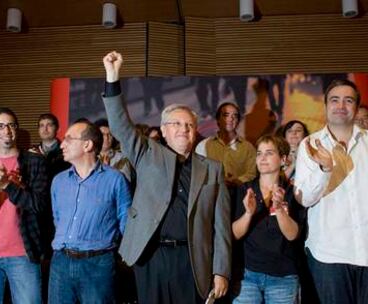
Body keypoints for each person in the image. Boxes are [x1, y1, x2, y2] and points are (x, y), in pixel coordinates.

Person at [102, 51, 231, 303]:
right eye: (176, 124)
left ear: (196, 132)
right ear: (163, 130)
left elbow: (221, 226)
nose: (183, 129)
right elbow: (119, 125)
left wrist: (221, 270)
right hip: (151, 256)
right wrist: (112, 76)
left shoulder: (213, 169)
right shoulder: (147, 153)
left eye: (189, 125)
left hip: (192, 260)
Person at [295, 79, 368, 304]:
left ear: (356, 107)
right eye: (335, 100)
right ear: (325, 106)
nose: (341, 105)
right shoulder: (309, 145)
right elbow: (304, 199)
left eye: (348, 100)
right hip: (329, 255)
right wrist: (324, 169)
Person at [48, 120, 132, 304]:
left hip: (98, 264)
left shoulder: (115, 180)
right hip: (60, 262)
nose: (62, 144)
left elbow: (126, 223)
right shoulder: (59, 181)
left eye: (69, 139)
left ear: (87, 145)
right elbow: (57, 218)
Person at [0, 107, 48, 303]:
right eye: (0, 126)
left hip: (22, 254)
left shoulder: (34, 162)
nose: (7, 131)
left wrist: (8, 187)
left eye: (11, 125)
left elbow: (40, 205)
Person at [232, 135, 305, 303]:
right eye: (259, 153)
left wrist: (279, 209)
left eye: (269, 153)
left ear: (283, 159)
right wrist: (248, 213)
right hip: (247, 274)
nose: (262, 158)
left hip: (283, 277)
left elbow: (292, 235)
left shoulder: (293, 192)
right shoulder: (245, 189)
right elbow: (234, 234)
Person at [195, 102, 256, 188]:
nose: (231, 119)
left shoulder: (248, 148)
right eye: (226, 115)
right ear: (218, 119)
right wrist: (219, 181)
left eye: (235, 116)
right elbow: (198, 174)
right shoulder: (203, 146)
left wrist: (237, 181)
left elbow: (252, 173)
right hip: (213, 197)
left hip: (240, 196)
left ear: (238, 121)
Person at [29, 113, 69, 182]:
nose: (45, 129)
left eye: (49, 125)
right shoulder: (31, 152)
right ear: (38, 130)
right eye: (42, 126)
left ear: (58, 129)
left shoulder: (67, 151)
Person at [95, 118, 134, 183]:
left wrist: (107, 171)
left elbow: (124, 183)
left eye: (109, 134)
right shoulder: (89, 157)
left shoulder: (121, 158)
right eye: (103, 134)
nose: (106, 138)